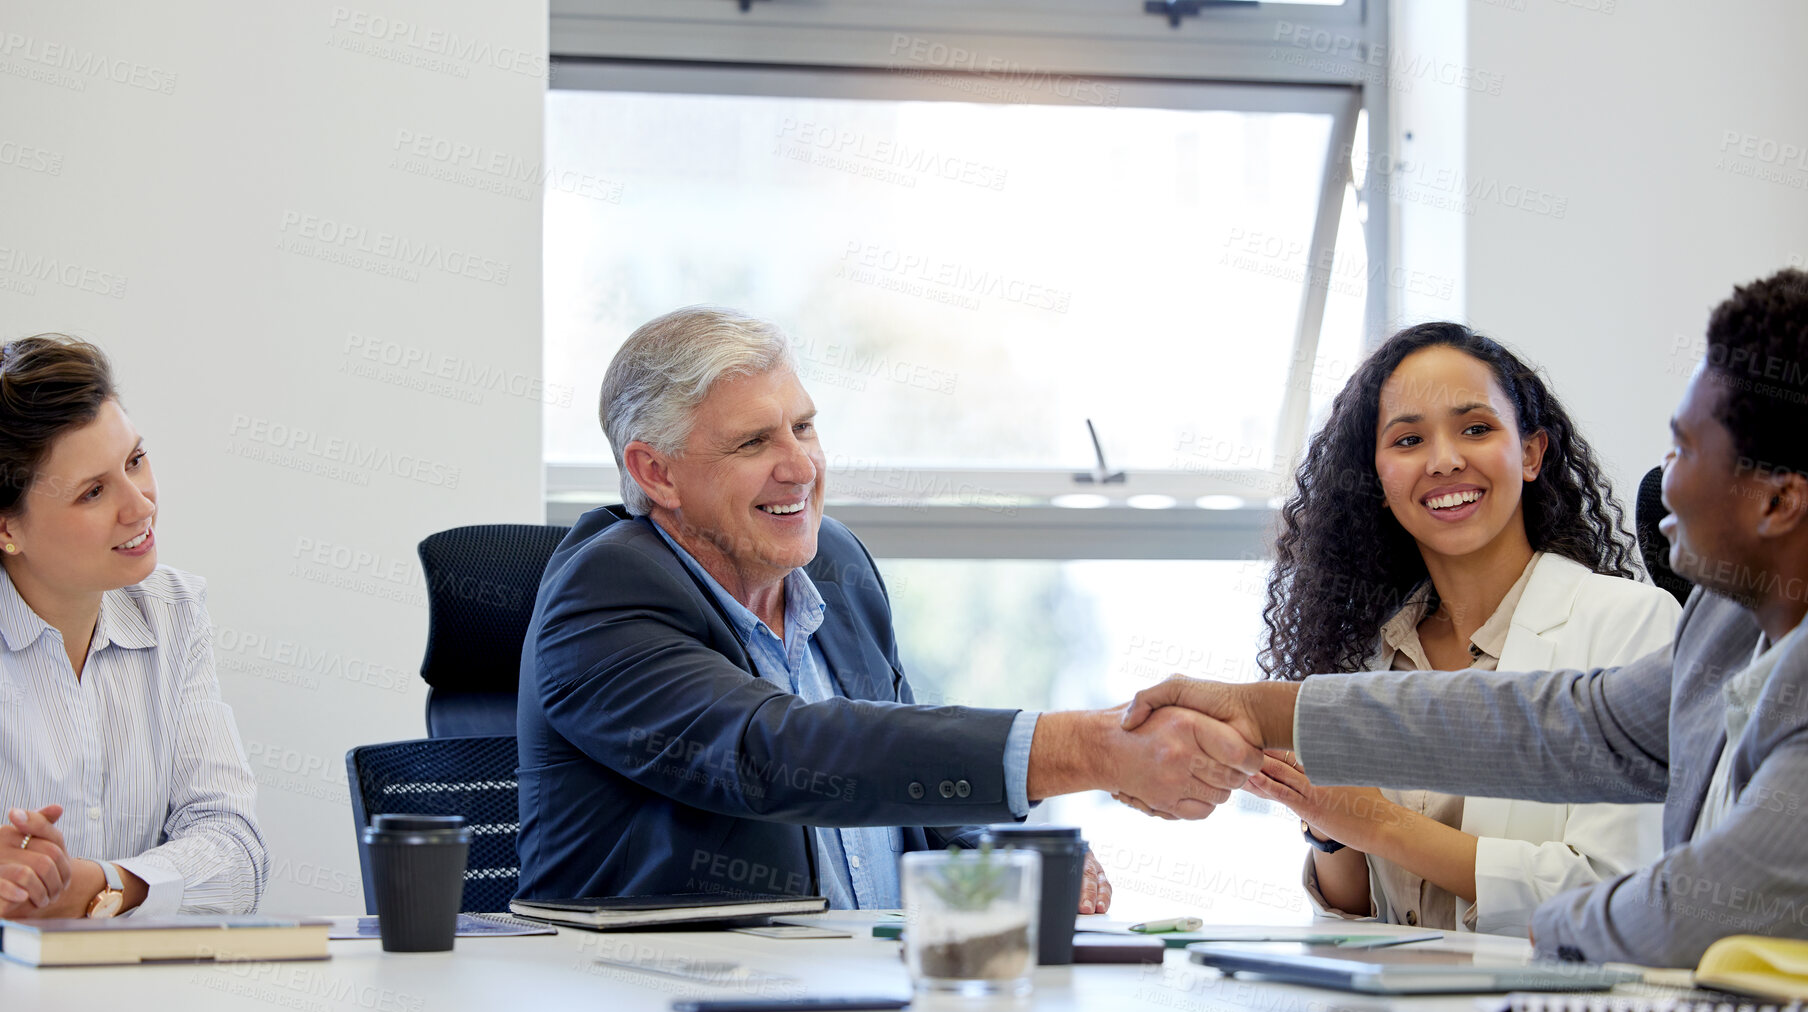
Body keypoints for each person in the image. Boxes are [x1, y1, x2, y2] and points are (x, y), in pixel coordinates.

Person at [1123, 268, 1808, 967]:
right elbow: (1555, 724)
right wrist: (1263, 712)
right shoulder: (1722, 623)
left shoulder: (1650, 622)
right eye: (1408, 440)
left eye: (1685, 449)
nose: (1660, 483)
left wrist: (1546, 921)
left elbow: (1698, 903)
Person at [517, 306, 1253, 910]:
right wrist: (1088, 749)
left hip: (858, 1001)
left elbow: (895, 778)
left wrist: (1005, 863)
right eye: (753, 441)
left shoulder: (835, 566)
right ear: (657, 472)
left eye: (804, 426)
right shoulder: (603, 591)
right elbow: (780, 753)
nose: (801, 466)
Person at [1248, 322, 1679, 936]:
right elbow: (1358, 917)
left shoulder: (1632, 624)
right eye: (1408, 439)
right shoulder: (1370, 651)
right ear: (1376, 480)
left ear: (1530, 454)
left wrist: (1374, 820)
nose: (1445, 460)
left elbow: (1615, 889)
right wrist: (1327, 823)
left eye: (1476, 429)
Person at [0, 335, 267, 935]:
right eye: (93, 492)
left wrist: (102, 886)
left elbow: (237, 852)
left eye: (135, 461)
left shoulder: (174, 608)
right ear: (2, 527)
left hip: (135, 996)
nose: (140, 507)